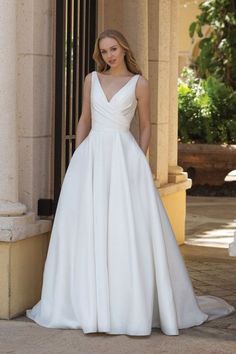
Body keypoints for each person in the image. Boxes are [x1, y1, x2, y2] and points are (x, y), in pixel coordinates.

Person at [26, 29, 235, 336]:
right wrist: (77, 156)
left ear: (123, 49)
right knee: (87, 226)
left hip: (125, 158)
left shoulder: (140, 83)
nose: (109, 55)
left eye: (113, 49)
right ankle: (84, 304)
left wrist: (138, 159)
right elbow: (85, 118)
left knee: (123, 228)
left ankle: (127, 305)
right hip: (91, 157)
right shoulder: (91, 79)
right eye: (104, 51)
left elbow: (147, 126)